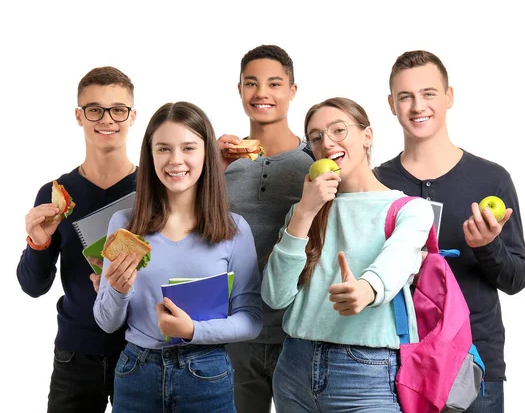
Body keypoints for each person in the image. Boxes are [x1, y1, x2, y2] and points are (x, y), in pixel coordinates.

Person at [374, 50, 525, 413]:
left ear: (449, 96)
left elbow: (517, 278)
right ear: (391, 104)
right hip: (397, 359)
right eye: (405, 96)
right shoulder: (378, 183)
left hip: (474, 363)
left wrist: (489, 246)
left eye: (428, 93)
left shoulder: (492, 179)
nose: (417, 106)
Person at [262, 97, 434, 412]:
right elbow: (275, 297)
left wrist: (366, 289)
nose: (327, 143)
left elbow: (395, 261)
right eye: (316, 137)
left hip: (366, 374)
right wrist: (304, 213)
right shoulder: (302, 213)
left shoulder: (410, 209)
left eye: (338, 130)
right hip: (294, 369)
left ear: (367, 136)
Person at [93, 101, 263, 413]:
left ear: (206, 155)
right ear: (150, 155)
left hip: (207, 374)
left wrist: (192, 331)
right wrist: (117, 290)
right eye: (163, 149)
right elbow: (106, 323)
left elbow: (251, 320)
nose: (176, 160)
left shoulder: (235, 229)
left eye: (188, 148)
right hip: (136, 374)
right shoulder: (123, 226)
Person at [17, 66, 138, 412]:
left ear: (132, 116)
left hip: (141, 349)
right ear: (79, 116)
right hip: (75, 353)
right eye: (94, 109)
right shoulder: (55, 193)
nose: (107, 119)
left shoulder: (155, 189)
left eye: (118, 109)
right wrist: (38, 243)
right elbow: (33, 286)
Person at [218, 44, 314, 413]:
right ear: (240, 89)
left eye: (274, 84)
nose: (262, 93)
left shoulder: (315, 162)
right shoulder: (220, 162)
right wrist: (214, 167)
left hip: (298, 332)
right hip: (235, 331)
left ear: (292, 91)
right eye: (251, 83)